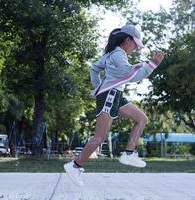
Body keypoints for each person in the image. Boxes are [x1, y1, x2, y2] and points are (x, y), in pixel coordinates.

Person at [64, 24, 165, 186]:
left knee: (141, 118)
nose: (135, 48)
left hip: (114, 94)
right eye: (135, 44)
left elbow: (94, 69)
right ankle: (74, 166)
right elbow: (129, 74)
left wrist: (98, 87)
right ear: (127, 40)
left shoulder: (111, 53)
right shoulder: (118, 54)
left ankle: (129, 153)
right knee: (99, 137)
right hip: (110, 95)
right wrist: (151, 65)